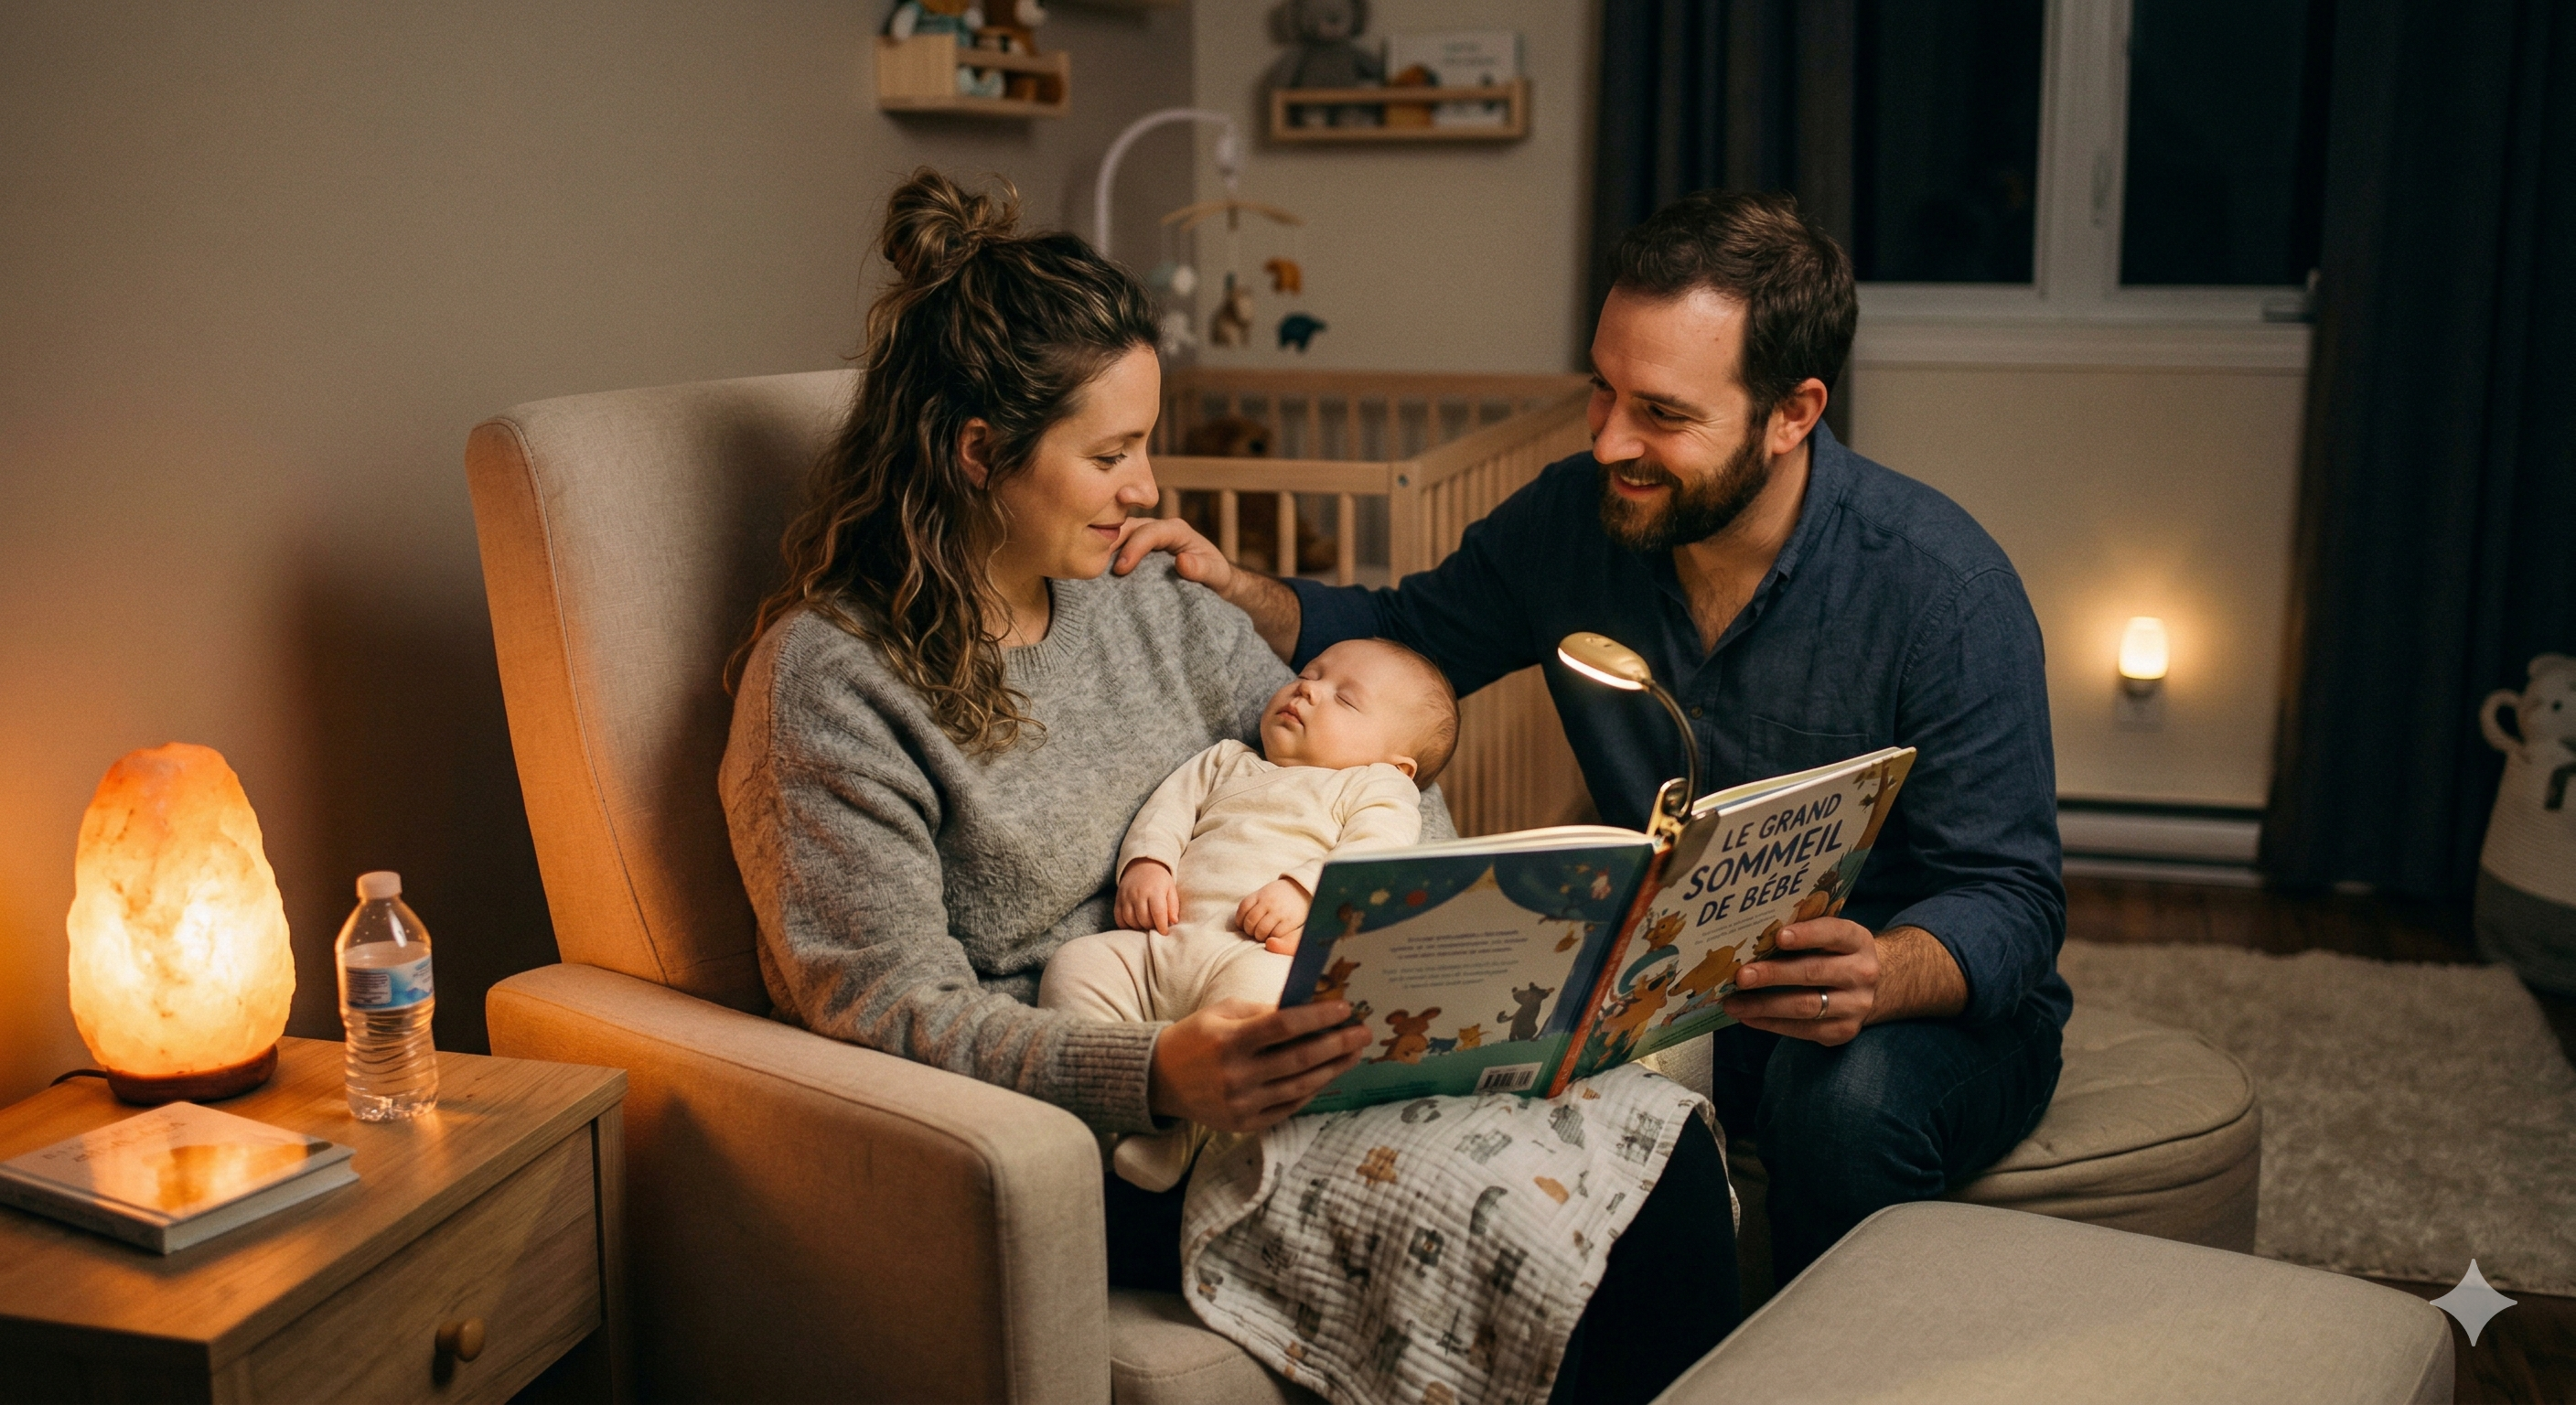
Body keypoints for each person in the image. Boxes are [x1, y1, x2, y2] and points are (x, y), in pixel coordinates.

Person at [722, 167, 1733, 1403]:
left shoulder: (1146, 604)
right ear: (979, 453)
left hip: (1289, 1018)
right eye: (1112, 454)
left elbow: (1364, 771)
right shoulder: (832, 684)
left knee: (1653, 1155)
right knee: (1545, 1243)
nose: (1148, 489)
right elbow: (884, 1007)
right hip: (1112, 1123)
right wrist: (1154, 1071)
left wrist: (1402, 936)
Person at [1118, 188, 2071, 1282]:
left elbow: (2011, 897)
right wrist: (1225, 580)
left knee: (1843, 1112)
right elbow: (1395, 631)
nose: (1611, 440)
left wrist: (1884, 971)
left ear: (1792, 412)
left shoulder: (1942, 590)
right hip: (1671, 991)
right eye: (1600, 391)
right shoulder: (1573, 519)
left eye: (1662, 414)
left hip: (1904, 1008)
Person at [1042, 638, 1458, 1191]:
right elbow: (1167, 810)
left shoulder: (1373, 786)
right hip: (1162, 943)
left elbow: (1378, 852)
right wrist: (1147, 864)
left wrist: (1305, 890)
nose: (1309, 688)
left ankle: (1182, 1134)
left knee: (1274, 1019)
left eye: (1346, 700)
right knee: (1075, 966)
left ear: (1396, 764)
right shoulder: (1226, 759)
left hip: (1257, 957)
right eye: (1310, 673)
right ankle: (1100, 1118)